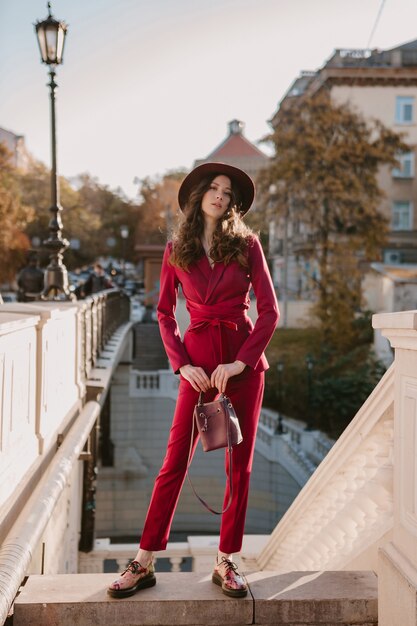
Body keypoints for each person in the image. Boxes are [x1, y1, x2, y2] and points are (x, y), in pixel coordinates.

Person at [108, 162, 279, 599]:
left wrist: (242, 363)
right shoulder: (176, 249)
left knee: (238, 467)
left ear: (233, 203)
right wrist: (182, 364)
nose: (220, 195)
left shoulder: (247, 244)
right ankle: (143, 561)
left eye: (228, 192)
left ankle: (228, 561)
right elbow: (164, 313)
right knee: (172, 464)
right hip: (197, 369)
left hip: (241, 370)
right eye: (214, 188)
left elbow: (270, 311)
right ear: (200, 194)